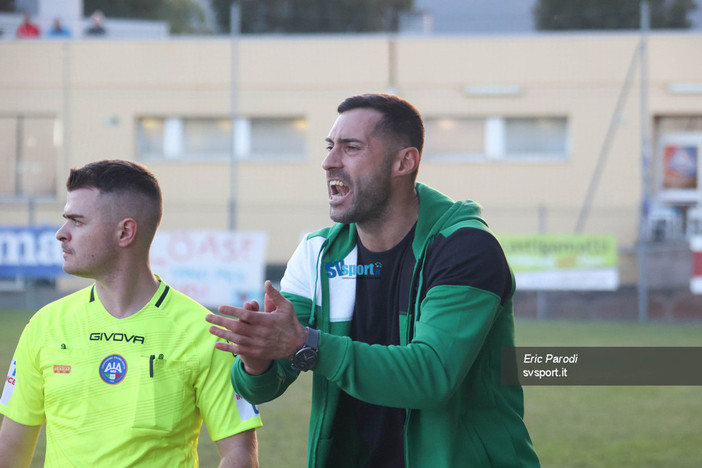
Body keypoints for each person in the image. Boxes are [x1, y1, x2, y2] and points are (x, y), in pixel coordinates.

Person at [206, 93, 540, 467]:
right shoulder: (316, 253)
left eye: (351, 148)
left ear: (404, 161)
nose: (329, 162)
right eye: (330, 147)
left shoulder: (465, 247)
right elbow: (263, 387)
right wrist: (258, 359)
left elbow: (431, 376)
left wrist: (307, 343)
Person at [0, 160, 262, 467]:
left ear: (125, 232)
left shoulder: (205, 333)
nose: (61, 233)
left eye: (77, 222)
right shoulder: (45, 325)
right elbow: (12, 445)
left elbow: (239, 455)